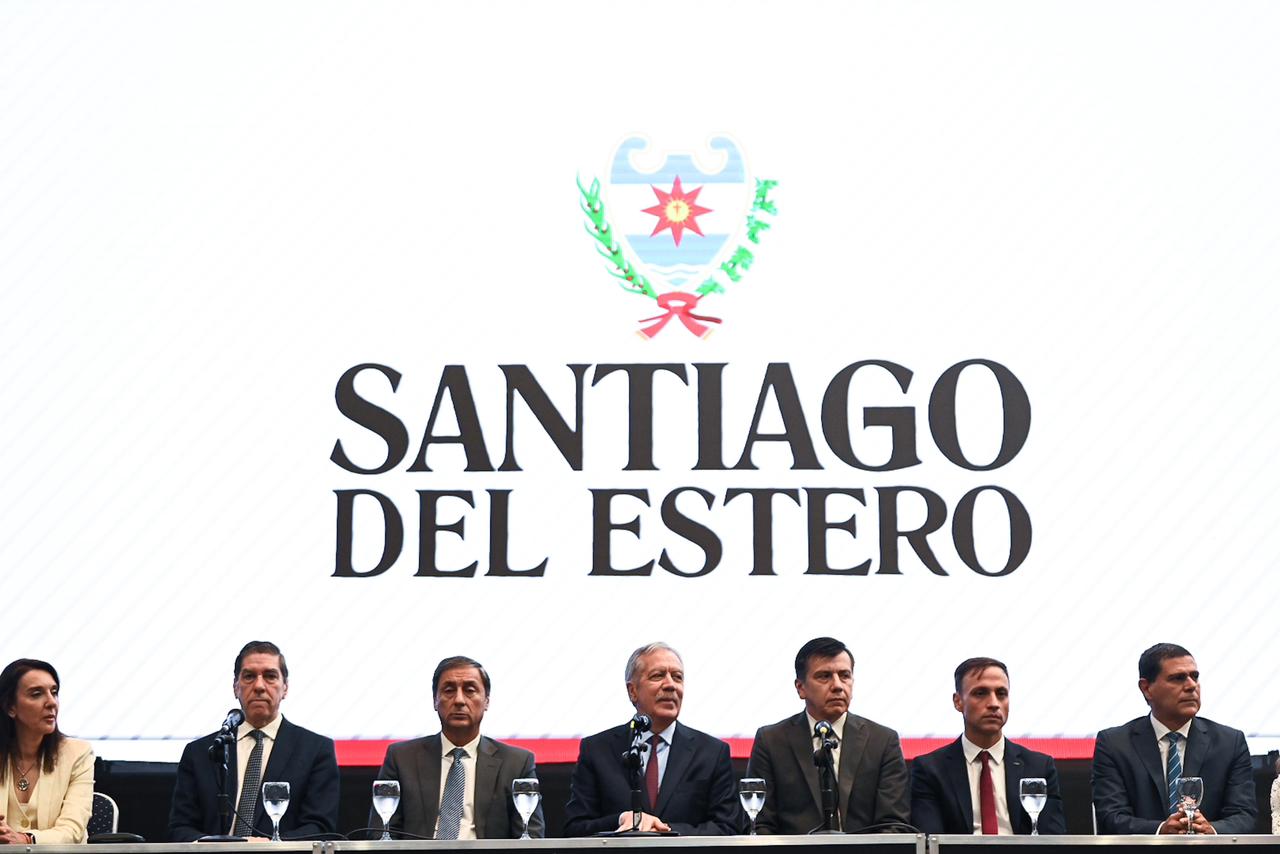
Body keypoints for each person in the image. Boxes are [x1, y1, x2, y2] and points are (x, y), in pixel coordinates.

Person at [168, 641, 339, 842]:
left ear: (285, 688)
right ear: (236, 687)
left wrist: (269, 846)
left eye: (270, 676)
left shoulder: (315, 750)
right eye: (249, 676)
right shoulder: (201, 752)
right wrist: (211, 846)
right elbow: (180, 828)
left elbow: (320, 828)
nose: (259, 686)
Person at [564, 642, 739, 836]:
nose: (670, 685)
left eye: (677, 677)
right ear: (633, 691)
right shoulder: (597, 750)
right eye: (658, 676)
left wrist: (662, 831)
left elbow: (728, 828)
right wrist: (621, 820)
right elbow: (574, 830)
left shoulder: (712, 753)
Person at [747, 636, 910, 834]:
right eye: (824, 676)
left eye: (845, 675)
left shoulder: (882, 741)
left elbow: (894, 825)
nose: (838, 685)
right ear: (801, 688)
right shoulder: (772, 741)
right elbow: (759, 824)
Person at [370, 655, 544, 839]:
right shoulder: (402, 758)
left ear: (486, 701)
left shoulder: (516, 763)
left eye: (470, 690)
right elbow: (380, 835)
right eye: (449, 691)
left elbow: (531, 838)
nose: (459, 700)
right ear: (435, 700)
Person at [1091, 642, 1256, 835]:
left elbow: (1244, 815)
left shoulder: (1230, 743)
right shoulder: (1114, 744)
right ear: (1146, 688)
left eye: (1195, 676)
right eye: (1178, 678)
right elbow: (1111, 816)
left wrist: (1211, 831)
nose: (1191, 685)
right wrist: (1160, 831)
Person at [910, 657, 1066, 834]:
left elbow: (1053, 839)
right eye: (980, 693)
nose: (994, 704)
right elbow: (930, 841)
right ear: (958, 701)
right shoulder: (930, 770)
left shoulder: (1038, 767)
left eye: (1001, 694)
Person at [0, 659, 93, 845]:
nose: (51, 702)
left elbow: (72, 831)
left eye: (54, 692)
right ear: (10, 707)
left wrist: (26, 840)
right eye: (36, 694)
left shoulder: (77, 753)